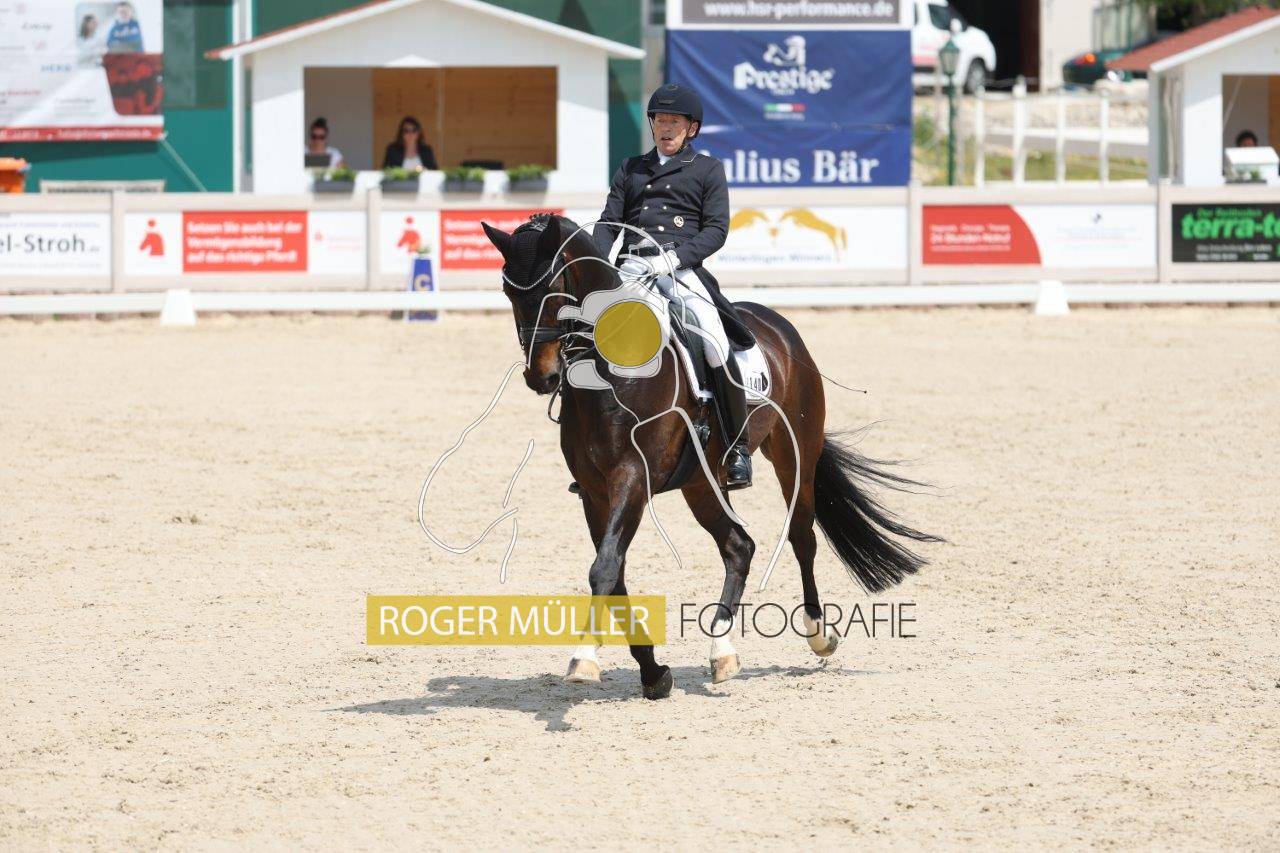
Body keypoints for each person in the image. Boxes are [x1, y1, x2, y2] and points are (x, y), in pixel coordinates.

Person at [592, 83, 759, 490]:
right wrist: (598, 267)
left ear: (691, 128)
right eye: (660, 121)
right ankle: (593, 444)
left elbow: (716, 231)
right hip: (632, 268)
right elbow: (609, 223)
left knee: (713, 339)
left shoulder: (706, 169)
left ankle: (736, 445)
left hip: (679, 270)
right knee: (588, 335)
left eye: (674, 122)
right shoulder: (631, 168)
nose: (665, 128)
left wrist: (672, 259)